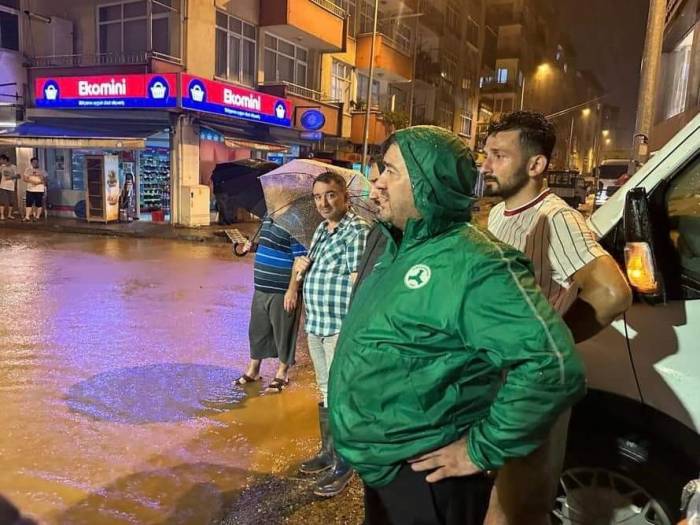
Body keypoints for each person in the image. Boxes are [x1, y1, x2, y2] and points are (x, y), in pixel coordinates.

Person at [327, 126, 586, 525]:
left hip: (429, 479)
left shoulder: (476, 263)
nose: (376, 181)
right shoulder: (399, 245)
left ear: (429, 184)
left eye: (391, 171)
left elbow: (551, 365)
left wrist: (480, 449)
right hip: (384, 469)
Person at [482, 111, 632, 525]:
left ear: (536, 165)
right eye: (486, 154)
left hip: (531, 386)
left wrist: (551, 344)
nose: (485, 165)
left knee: (518, 509)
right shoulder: (499, 214)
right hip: (499, 381)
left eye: (498, 155)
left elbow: (612, 293)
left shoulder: (557, 218)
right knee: (496, 494)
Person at [293, 171, 370, 497]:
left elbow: (358, 280)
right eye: (318, 196)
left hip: (340, 326)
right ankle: (328, 451)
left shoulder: (358, 231)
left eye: (330, 195)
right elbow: (316, 267)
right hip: (317, 324)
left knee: (342, 394)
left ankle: (345, 462)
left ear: (345, 197)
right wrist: (301, 269)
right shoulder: (321, 231)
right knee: (325, 390)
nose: (323, 202)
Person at [235, 216, 307, 392]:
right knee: (257, 331)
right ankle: (253, 370)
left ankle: (282, 373)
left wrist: (292, 290)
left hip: (282, 291)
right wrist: (252, 247)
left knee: (284, 332)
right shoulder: (267, 218)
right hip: (261, 287)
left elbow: (300, 259)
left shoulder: (295, 222)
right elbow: (269, 247)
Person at [23, 157, 47, 222]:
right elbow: (24, 179)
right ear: (31, 163)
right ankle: (27, 217)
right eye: (34, 162)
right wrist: (32, 181)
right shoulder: (28, 170)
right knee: (29, 203)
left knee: (38, 203)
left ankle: (37, 217)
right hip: (30, 189)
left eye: (36, 162)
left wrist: (39, 180)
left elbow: (45, 180)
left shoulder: (42, 170)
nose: (35, 164)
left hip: (39, 189)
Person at [0, 154, 19, 220]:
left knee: (11, 201)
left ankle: (9, 214)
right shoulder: (2, 167)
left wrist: (10, 177)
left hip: (11, 186)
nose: (0, 161)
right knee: (2, 201)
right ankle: (2, 215)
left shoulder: (13, 167)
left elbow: (18, 176)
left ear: (5, 160)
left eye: (1, 160)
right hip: (3, 186)